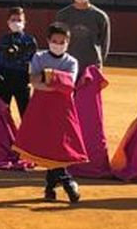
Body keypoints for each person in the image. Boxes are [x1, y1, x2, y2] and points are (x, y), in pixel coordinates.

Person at [17, 22, 86, 203]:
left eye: (62, 41)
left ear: (68, 42)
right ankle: (63, 183)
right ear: (48, 40)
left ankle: (55, 185)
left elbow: (68, 84)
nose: (58, 44)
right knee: (49, 145)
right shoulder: (39, 57)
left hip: (63, 109)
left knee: (58, 145)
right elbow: (33, 80)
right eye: (55, 41)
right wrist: (55, 80)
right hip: (42, 106)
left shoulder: (72, 61)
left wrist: (46, 77)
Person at [55, 0, 111, 68]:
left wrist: (99, 61)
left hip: (92, 66)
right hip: (67, 65)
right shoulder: (62, 15)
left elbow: (104, 43)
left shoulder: (100, 16)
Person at [0, 7, 36, 118]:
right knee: (2, 114)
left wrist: (32, 80)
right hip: (4, 80)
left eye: (19, 20)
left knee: (26, 113)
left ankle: (27, 135)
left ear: (24, 23)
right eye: (13, 20)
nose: (16, 23)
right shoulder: (3, 40)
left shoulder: (30, 40)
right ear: (8, 22)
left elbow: (35, 62)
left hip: (22, 79)